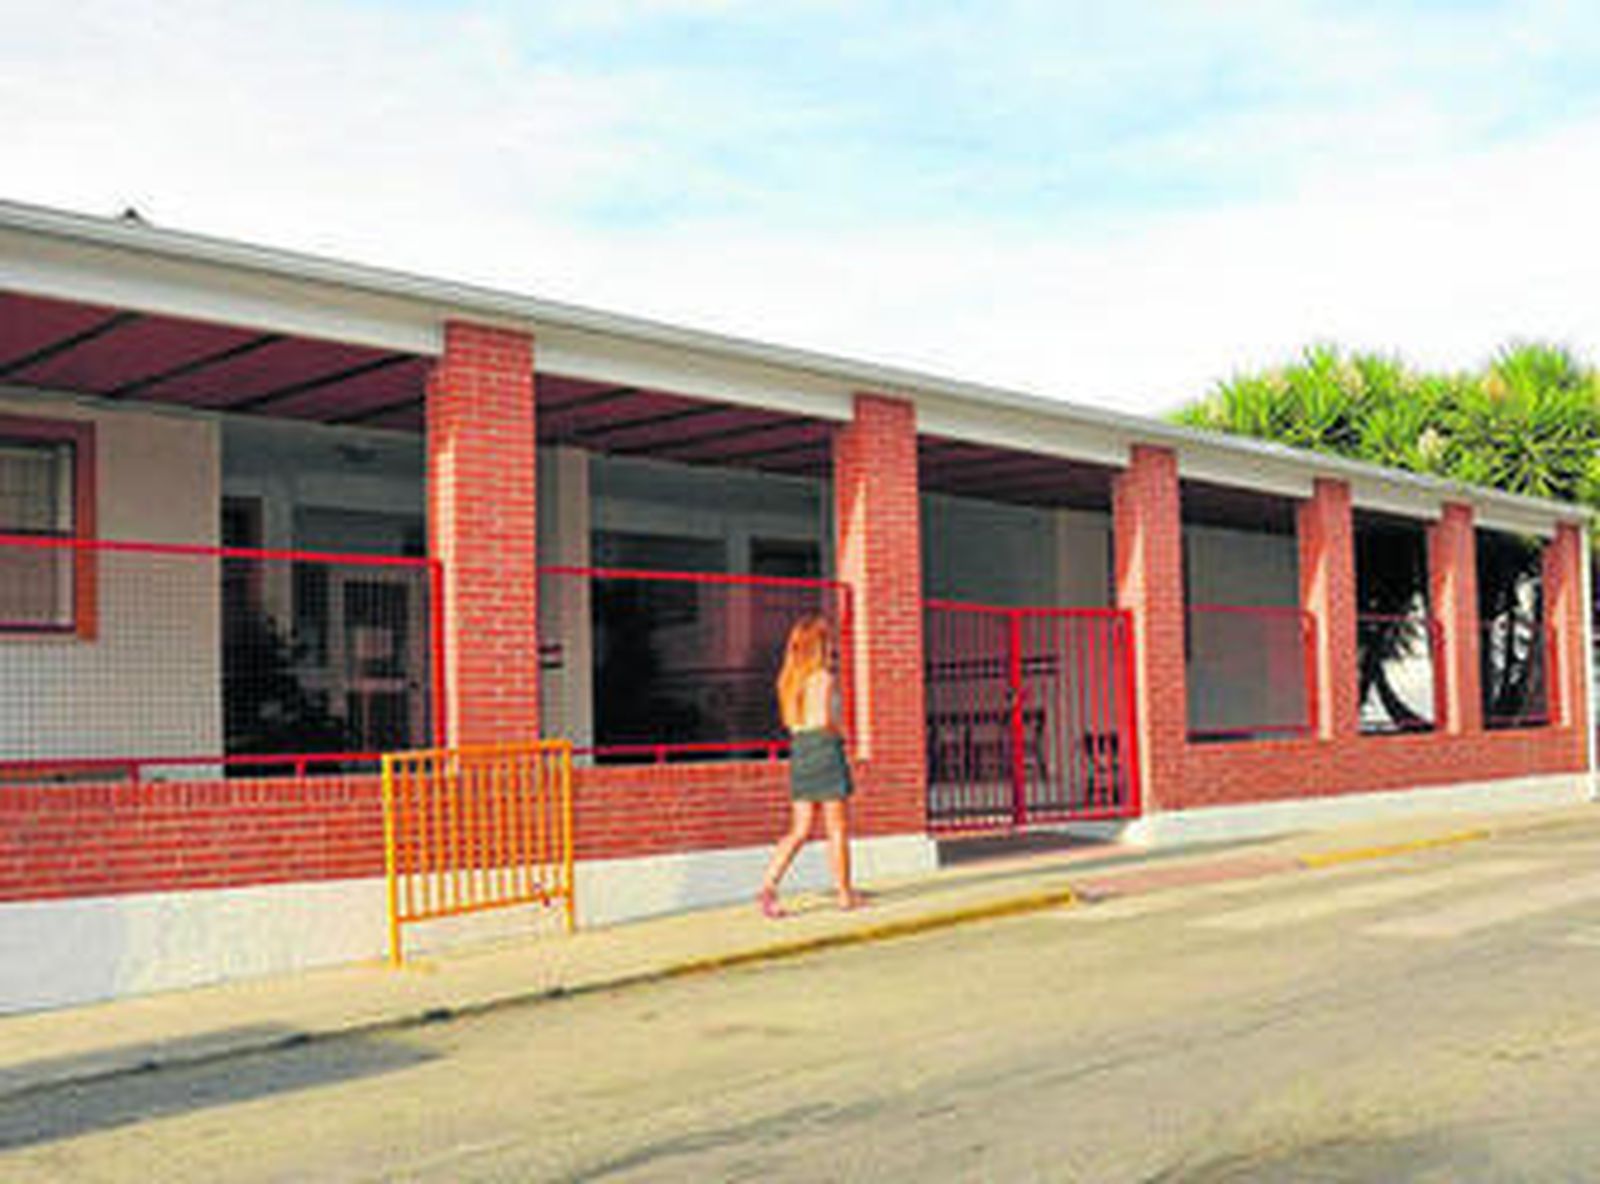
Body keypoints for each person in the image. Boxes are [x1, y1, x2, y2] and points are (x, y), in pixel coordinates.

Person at [758, 614, 863, 918]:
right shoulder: (824, 679)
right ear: (819, 645)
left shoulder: (789, 681)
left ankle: (768, 885)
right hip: (825, 749)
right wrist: (843, 733)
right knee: (837, 828)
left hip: (801, 751)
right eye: (828, 640)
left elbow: (793, 724)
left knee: (800, 829)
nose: (832, 646)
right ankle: (845, 895)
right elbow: (827, 720)